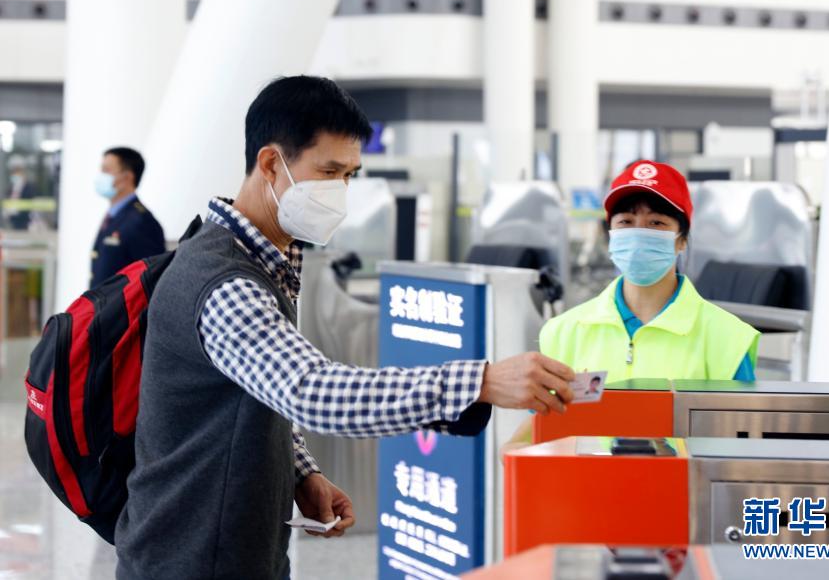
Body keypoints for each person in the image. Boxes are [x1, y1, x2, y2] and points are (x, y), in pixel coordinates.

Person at [114, 76, 576, 580]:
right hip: (190, 559)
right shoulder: (223, 280)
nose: (341, 191)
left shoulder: (262, 261)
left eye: (350, 175)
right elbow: (311, 390)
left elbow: (249, 394)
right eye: (329, 171)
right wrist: (481, 381)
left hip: (234, 547)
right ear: (271, 164)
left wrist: (300, 472)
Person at [504, 160, 759, 451]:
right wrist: (515, 447)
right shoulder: (564, 331)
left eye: (656, 223)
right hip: (586, 493)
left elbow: (744, 445)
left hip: (684, 494)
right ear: (610, 235)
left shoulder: (728, 339)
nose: (639, 234)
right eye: (626, 221)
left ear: (682, 241)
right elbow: (542, 424)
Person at [90, 147, 165, 288]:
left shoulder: (142, 223)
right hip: (103, 307)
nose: (101, 176)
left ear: (127, 177)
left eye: (106, 171)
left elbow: (149, 281)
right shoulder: (114, 216)